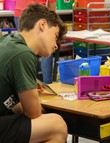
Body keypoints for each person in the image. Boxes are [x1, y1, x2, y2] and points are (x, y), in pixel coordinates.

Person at [0, 3, 68, 143]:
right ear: (42, 24)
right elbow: (33, 113)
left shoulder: (7, 41)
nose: (56, 45)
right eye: (55, 36)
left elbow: (13, 105)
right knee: (57, 125)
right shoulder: (23, 53)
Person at [14, 0, 56, 84]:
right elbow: (52, 9)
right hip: (37, 15)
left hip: (20, 12)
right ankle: (46, 84)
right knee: (46, 45)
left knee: (25, 48)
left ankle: (29, 82)